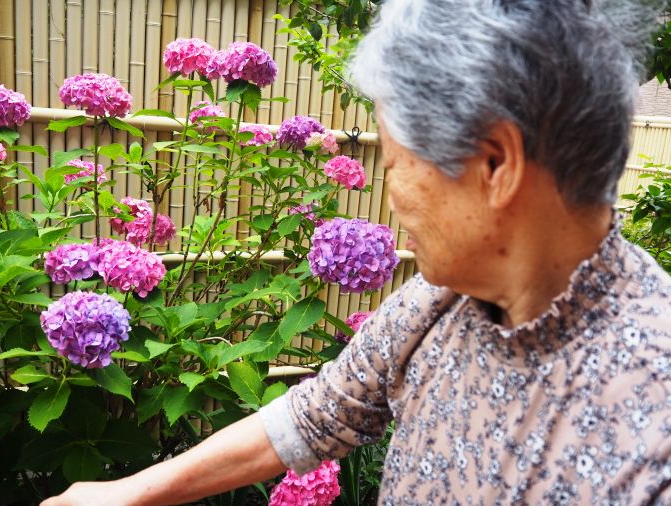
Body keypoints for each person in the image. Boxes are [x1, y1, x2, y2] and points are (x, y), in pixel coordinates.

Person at [42, 0, 671, 504]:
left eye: (394, 162)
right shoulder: (439, 301)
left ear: (496, 164)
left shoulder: (651, 416)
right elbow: (318, 415)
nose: (386, 191)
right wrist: (124, 494)